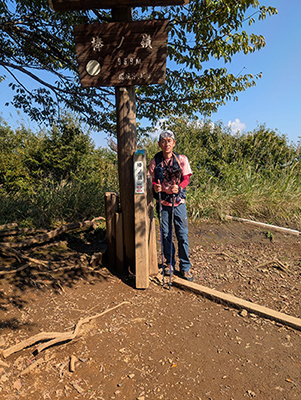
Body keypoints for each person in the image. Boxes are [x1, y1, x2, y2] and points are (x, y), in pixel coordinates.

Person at [148, 130, 194, 282]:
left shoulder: (182, 159)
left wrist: (179, 188)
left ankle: (185, 267)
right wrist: (155, 187)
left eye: (169, 140)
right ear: (159, 144)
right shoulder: (155, 161)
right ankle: (169, 263)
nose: (167, 143)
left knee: (182, 235)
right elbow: (153, 179)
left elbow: (186, 178)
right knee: (166, 235)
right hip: (162, 202)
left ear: (174, 143)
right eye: (163, 141)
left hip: (178, 202)